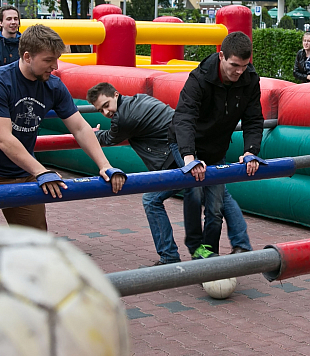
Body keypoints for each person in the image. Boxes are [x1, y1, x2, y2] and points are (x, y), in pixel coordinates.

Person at [0, 24, 125, 230]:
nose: (55, 66)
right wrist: (41, 171)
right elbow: (3, 138)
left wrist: (105, 165)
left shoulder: (53, 85)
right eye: (48, 60)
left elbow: (80, 128)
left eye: (56, 59)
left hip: (24, 173)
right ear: (27, 56)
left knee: (34, 239)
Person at [87, 82, 252, 265]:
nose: (106, 112)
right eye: (100, 110)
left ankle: (170, 256)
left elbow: (110, 138)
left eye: (106, 105)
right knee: (220, 195)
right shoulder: (141, 98)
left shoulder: (123, 118)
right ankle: (241, 245)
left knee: (152, 200)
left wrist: (91, 134)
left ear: (116, 95)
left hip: (178, 156)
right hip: (195, 143)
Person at [168, 31, 263, 259]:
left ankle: (209, 255)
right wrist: (189, 157)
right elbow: (184, 117)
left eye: (244, 66)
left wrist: (250, 151)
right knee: (194, 190)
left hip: (216, 148)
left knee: (215, 207)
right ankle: (196, 248)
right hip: (188, 145)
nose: (239, 72)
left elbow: (253, 119)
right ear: (221, 56)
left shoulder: (250, 79)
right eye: (234, 65)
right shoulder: (199, 78)